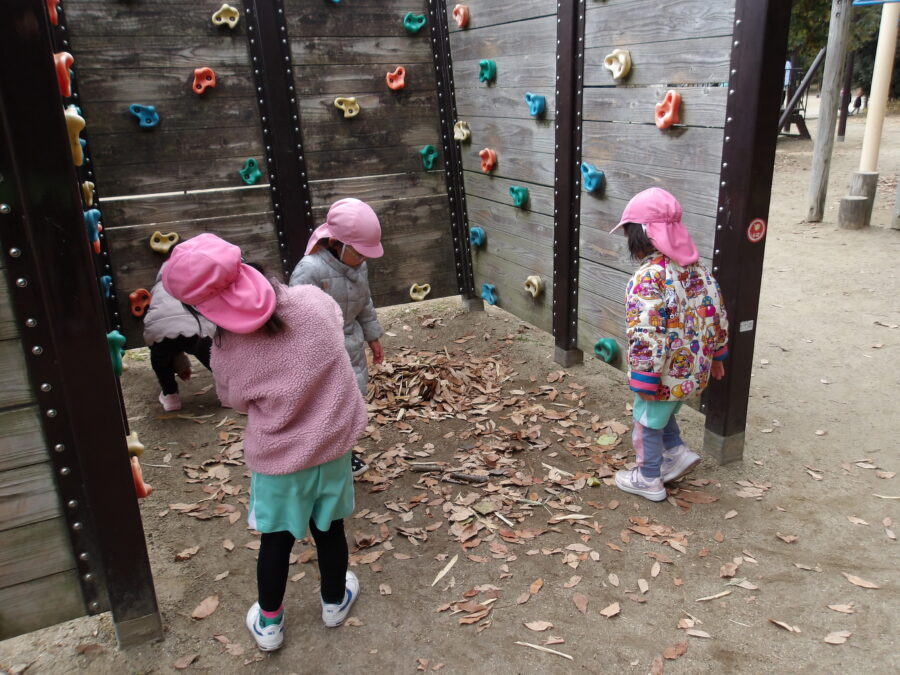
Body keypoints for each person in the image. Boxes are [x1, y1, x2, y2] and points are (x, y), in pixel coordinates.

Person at [162, 233, 368, 651]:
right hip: (332, 447)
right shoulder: (313, 302)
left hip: (280, 460)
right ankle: (334, 601)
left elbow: (234, 400)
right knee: (330, 528)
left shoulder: (226, 348)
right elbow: (333, 331)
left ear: (202, 307)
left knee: (276, 538)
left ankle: (270, 623)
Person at [609, 188, 729, 502]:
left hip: (662, 372)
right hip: (694, 370)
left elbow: (646, 332)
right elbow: (717, 314)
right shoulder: (698, 270)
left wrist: (644, 376)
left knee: (646, 420)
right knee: (663, 411)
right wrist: (718, 355)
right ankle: (676, 452)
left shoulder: (649, 278)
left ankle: (648, 477)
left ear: (641, 235)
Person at [289, 198, 385, 477]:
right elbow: (296, 316)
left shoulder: (358, 265)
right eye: (360, 252)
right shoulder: (309, 269)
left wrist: (373, 336)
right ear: (336, 243)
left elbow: (365, 301)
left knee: (349, 403)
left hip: (351, 343)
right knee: (327, 406)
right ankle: (326, 458)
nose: (364, 258)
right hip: (322, 350)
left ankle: (342, 453)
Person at [143, 259, 215, 412]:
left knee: (160, 357)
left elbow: (173, 334)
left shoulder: (157, 288)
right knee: (211, 357)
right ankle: (228, 389)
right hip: (193, 328)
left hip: (159, 331)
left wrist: (181, 365)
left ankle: (170, 396)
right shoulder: (193, 282)